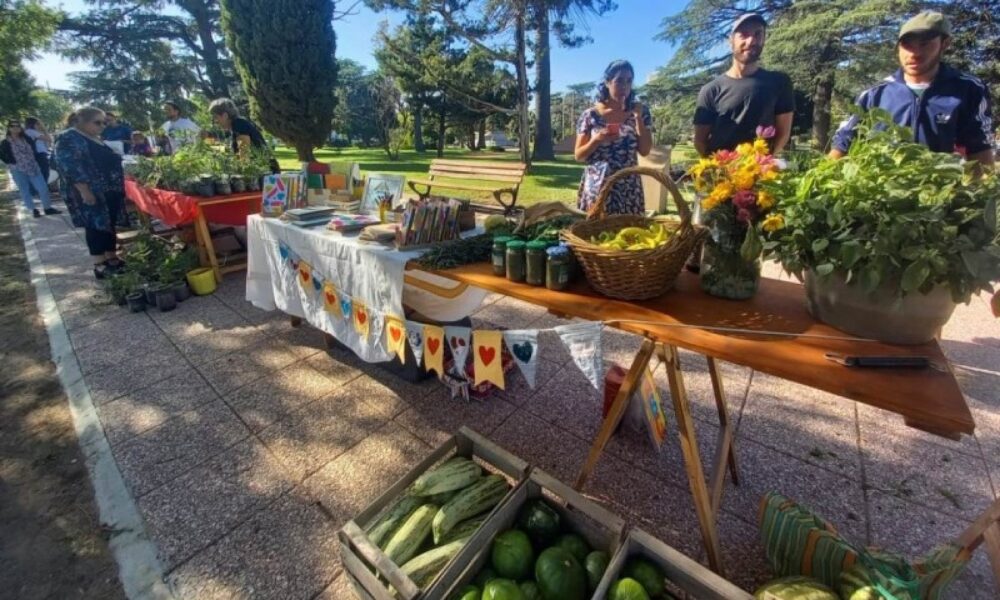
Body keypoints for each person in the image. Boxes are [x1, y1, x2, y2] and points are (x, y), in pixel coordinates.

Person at [829, 11, 995, 171]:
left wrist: (975, 195)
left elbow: (980, 148)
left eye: (924, 44)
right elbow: (844, 141)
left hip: (942, 192)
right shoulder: (875, 94)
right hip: (880, 191)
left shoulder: (968, 89)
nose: (914, 54)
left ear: (944, 44)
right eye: (907, 45)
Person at [693, 13, 795, 157]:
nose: (751, 40)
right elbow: (700, 141)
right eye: (744, 34)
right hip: (723, 175)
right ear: (731, 41)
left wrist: (762, 165)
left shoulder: (779, 83)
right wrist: (719, 169)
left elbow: (783, 134)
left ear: (764, 39)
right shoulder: (711, 90)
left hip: (762, 175)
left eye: (758, 34)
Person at [53, 106, 128, 279]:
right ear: (81, 121)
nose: (102, 126)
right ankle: (99, 264)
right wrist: (85, 191)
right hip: (90, 190)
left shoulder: (93, 137)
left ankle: (112, 258)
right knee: (95, 226)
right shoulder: (69, 138)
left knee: (108, 224)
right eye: (97, 122)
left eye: (104, 122)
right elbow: (70, 167)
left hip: (107, 189)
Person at [573, 60, 654, 215]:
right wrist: (596, 140)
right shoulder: (590, 115)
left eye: (629, 81)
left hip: (629, 186)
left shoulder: (641, 112)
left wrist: (638, 118)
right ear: (607, 82)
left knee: (629, 234)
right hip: (598, 186)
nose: (625, 86)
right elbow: (579, 156)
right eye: (619, 81)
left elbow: (644, 151)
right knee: (595, 234)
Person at [1, 119, 58, 218]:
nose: (15, 128)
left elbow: (34, 149)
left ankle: (47, 208)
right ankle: (33, 209)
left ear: (20, 128)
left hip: (33, 167)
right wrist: (11, 163)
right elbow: (2, 155)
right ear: (9, 128)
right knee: (24, 190)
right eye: (12, 126)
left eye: (17, 126)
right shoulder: (5, 142)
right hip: (17, 169)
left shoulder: (26, 138)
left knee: (43, 187)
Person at [208, 98, 280, 172]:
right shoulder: (235, 127)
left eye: (216, 117)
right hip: (263, 171)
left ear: (225, 115)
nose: (215, 121)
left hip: (268, 175)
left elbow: (244, 156)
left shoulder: (239, 125)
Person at [23, 117, 53, 185]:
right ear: (32, 124)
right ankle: (42, 190)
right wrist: (44, 129)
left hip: (37, 154)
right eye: (38, 123)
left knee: (40, 173)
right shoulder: (31, 131)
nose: (39, 125)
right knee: (44, 172)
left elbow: (47, 144)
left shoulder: (28, 132)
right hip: (40, 154)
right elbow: (49, 139)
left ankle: (40, 190)